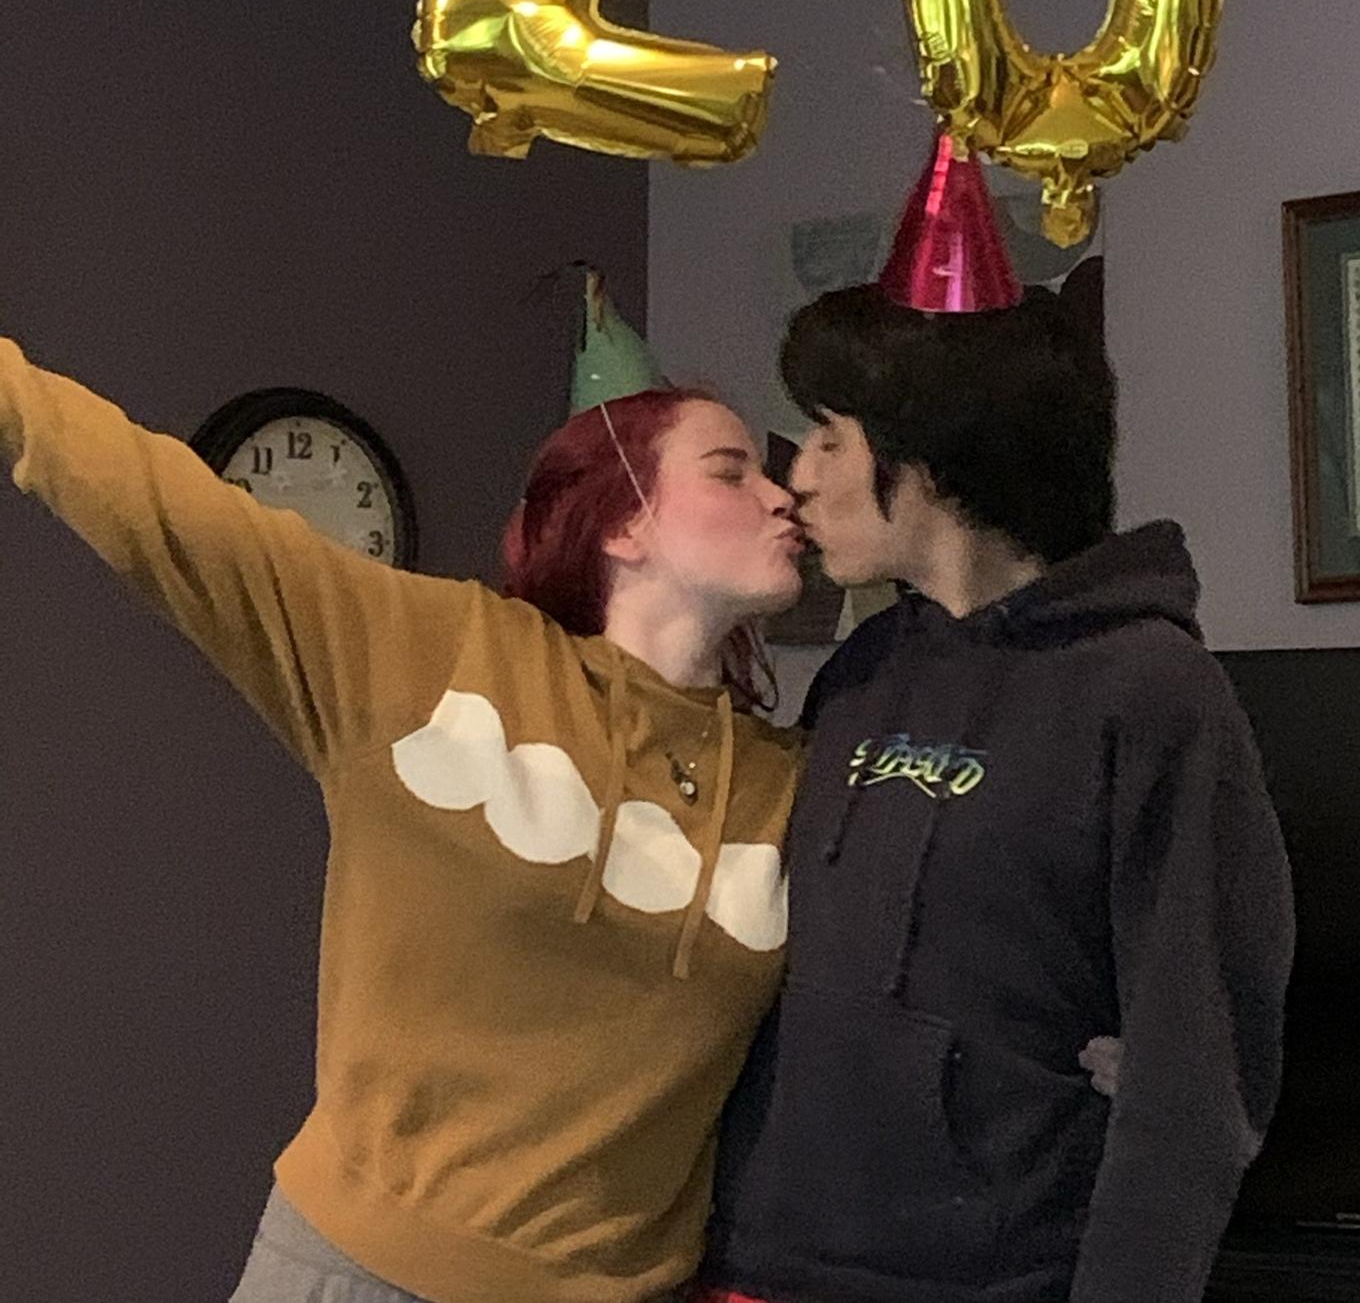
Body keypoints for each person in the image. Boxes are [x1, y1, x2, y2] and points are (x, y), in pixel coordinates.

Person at [0, 331, 807, 1303]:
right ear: (622, 525)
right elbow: (167, 509)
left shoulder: (793, 784)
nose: (779, 496)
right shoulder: (435, 654)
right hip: (359, 1272)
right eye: (730, 471)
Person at [702, 283, 1296, 1303]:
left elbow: (1197, 1068)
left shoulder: (1151, 693)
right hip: (765, 1264)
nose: (798, 475)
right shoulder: (864, 671)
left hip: (996, 1275)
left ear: (932, 454)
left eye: (831, 439)